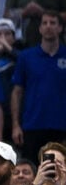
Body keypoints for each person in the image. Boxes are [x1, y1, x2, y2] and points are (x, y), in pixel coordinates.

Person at [10, 10, 66, 161]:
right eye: (45, 23)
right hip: (33, 125)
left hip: (61, 126)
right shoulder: (26, 57)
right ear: (40, 28)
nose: (48, 27)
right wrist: (16, 125)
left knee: (60, 175)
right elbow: (17, 92)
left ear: (60, 28)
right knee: (32, 174)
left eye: (53, 23)